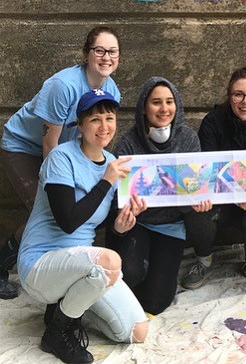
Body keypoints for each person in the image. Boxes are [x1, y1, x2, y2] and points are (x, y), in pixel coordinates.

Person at [17, 89, 148, 364]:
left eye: (109, 118)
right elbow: (68, 222)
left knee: (137, 331)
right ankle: (57, 333)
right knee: (110, 262)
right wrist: (105, 182)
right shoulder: (61, 158)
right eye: (95, 119)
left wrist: (123, 225)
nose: (104, 126)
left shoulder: (112, 164)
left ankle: (66, 309)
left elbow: (110, 230)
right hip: (41, 265)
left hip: (84, 268)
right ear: (80, 124)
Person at [0, 25, 122, 300]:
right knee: (44, 212)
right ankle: (2, 264)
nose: (106, 57)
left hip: (63, 153)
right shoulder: (64, 86)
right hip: (24, 147)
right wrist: (51, 186)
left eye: (112, 51)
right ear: (86, 54)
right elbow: (49, 143)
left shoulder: (111, 89)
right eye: (99, 50)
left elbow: (101, 137)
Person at [105, 77, 208, 315]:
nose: (164, 109)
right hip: (137, 223)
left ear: (177, 105)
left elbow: (193, 187)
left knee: (155, 303)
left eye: (169, 102)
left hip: (170, 225)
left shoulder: (188, 139)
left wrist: (193, 203)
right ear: (144, 107)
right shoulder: (128, 144)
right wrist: (126, 212)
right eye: (156, 102)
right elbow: (114, 199)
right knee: (130, 272)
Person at [182, 67, 246, 287]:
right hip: (221, 199)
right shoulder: (213, 122)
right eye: (238, 94)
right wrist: (233, 193)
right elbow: (206, 170)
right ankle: (204, 258)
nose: (245, 100)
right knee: (196, 211)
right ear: (230, 97)